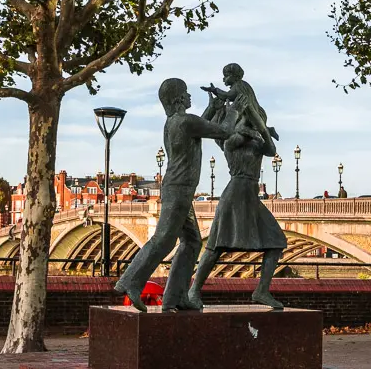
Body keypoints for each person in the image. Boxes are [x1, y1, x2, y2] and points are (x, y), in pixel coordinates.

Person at [114, 78, 230, 312]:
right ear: (178, 99)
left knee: (192, 241)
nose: (189, 97)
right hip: (178, 190)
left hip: (181, 191)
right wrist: (241, 111)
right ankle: (130, 282)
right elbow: (225, 131)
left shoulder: (175, 122)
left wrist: (214, 108)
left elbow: (200, 124)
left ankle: (175, 297)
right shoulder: (185, 122)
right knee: (164, 239)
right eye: (186, 93)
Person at [188, 92, 288, 311]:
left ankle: (261, 291)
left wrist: (261, 129)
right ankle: (194, 291)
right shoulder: (231, 140)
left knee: (276, 242)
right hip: (235, 193)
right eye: (251, 117)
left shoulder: (258, 139)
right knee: (215, 247)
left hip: (251, 195)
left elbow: (271, 150)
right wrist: (252, 127)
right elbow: (236, 136)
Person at [201, 63, 278, 143]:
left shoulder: (238, 86)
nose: (224, 79)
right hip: (253, 112)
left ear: (235, 76)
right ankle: (269, 130)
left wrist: (215, 90)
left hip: (248, 114)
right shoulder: (243, 84)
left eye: (226, 76)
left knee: (236, 127)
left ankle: (256, 134)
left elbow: (228, 96)